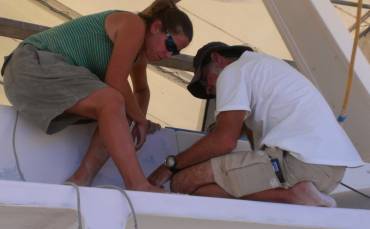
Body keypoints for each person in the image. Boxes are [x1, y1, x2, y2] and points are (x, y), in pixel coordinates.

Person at [1, 0, 193, 192]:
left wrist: (136, 123)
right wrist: (140, 120)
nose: (168, 54)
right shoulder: (134, 24)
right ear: (156, 27)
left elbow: (142, 90)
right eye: (170, 44)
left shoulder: (138, 56)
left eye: (175, 52)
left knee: (118, 109)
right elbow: (116, 80)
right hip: (31, 65)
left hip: (29, 80)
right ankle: (137, 184)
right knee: (113, 100)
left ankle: (80, 181)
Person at [148, 42, 364, 206]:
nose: (209, 90)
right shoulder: (265, 68)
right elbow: (249, 148)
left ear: (218, 59)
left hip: (298, 163)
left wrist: (170, 165)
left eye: (206, 80)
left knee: (182, 182)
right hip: (329, 172)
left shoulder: (233, 71)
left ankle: (293, 196)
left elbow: (224, 141)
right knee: (205, 190)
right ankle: (293, 196)